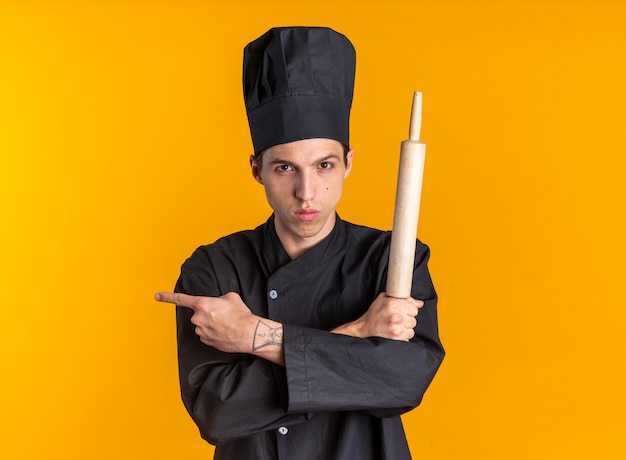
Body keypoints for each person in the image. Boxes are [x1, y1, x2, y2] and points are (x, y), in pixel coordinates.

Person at [155, 26, 444, 460]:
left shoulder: (391, 259)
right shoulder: (212, 269)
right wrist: (358, 334)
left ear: (348, 163)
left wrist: (258, 336)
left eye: (324, 165)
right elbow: (217, 412)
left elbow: (403, 382)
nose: (307, 192)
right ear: (257, 169)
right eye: (285, 168)